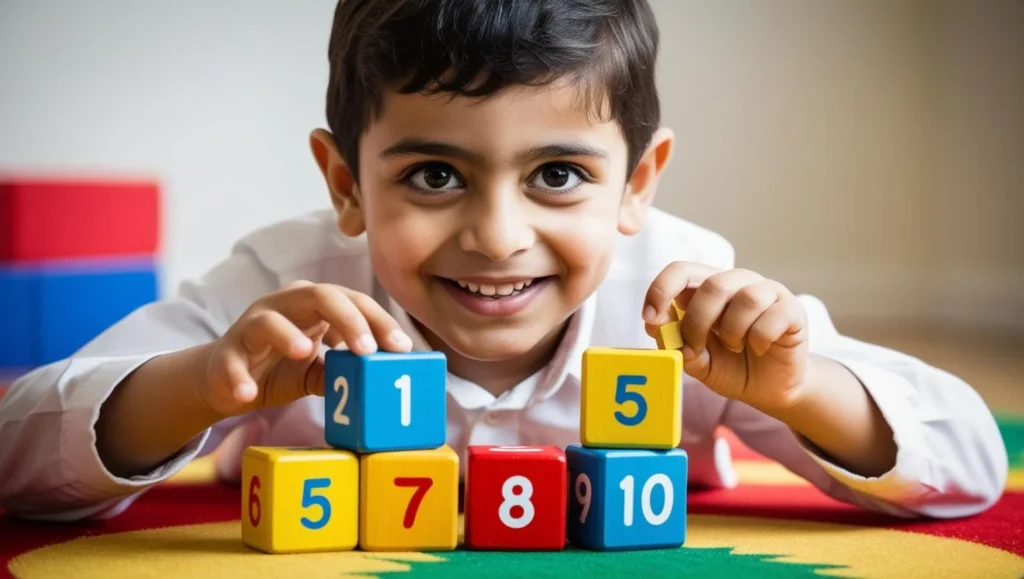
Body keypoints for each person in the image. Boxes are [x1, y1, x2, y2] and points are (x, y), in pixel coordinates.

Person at [0, 0, 1007, 522]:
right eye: (434, 176)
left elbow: (969, 467)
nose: (495, 235)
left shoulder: (684, 298)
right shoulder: (278, 289)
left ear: (638, 181)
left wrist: (803, 390)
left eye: (558, 175)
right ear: (346, 183)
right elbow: (17, 448)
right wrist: (197, 385)